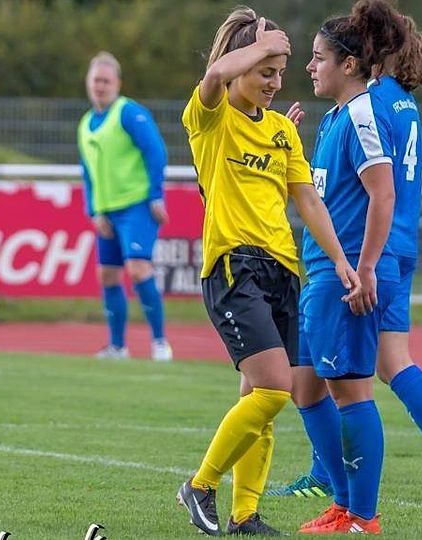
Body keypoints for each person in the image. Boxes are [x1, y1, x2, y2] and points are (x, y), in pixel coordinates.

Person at [270, 1, 422, 511]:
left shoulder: (368, 102)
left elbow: (372, 187)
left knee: (344, 378)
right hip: (398, 242)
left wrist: (362, 262)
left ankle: (338, 487)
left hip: (369, 247)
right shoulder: (402, 100)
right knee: (387, 363)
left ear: (361, 52)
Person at [174, 7, 361, 537]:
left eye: (280, 72)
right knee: (276, 389)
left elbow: (308, 201)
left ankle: (245, 515)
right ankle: (200, 485)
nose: (275, 83)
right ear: (240, 64)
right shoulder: (210, 117)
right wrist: (258, 45)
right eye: (265, 70)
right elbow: (214, 75)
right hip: (234, 267)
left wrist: (342, 260)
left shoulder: (281, 130)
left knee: (260, 398)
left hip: (282, 270)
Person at [294, 2, 405, 534]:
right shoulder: (335, 117)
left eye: (318, 57)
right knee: (304, 387)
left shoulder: (361, 114)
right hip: (320, 272)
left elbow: (383, 194)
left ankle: (363, 514)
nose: (310, 67)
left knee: (351, 392)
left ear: (350, 64)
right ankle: (343, 501)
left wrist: (366, 268)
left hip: (345, 278)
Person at [78, 51, 173, 362]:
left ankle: (160, 343)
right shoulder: (85, 124)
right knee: (107, 274)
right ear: (88, 82)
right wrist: (94, 210)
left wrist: (155, 195)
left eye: (106, 81)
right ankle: (117, 347)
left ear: (117, 83)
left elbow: (155, 151)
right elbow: (87, 172)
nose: (100, 86)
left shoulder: (129, 113)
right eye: (96, 80)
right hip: (107, 212)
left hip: (136, 205)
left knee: (138, 268)